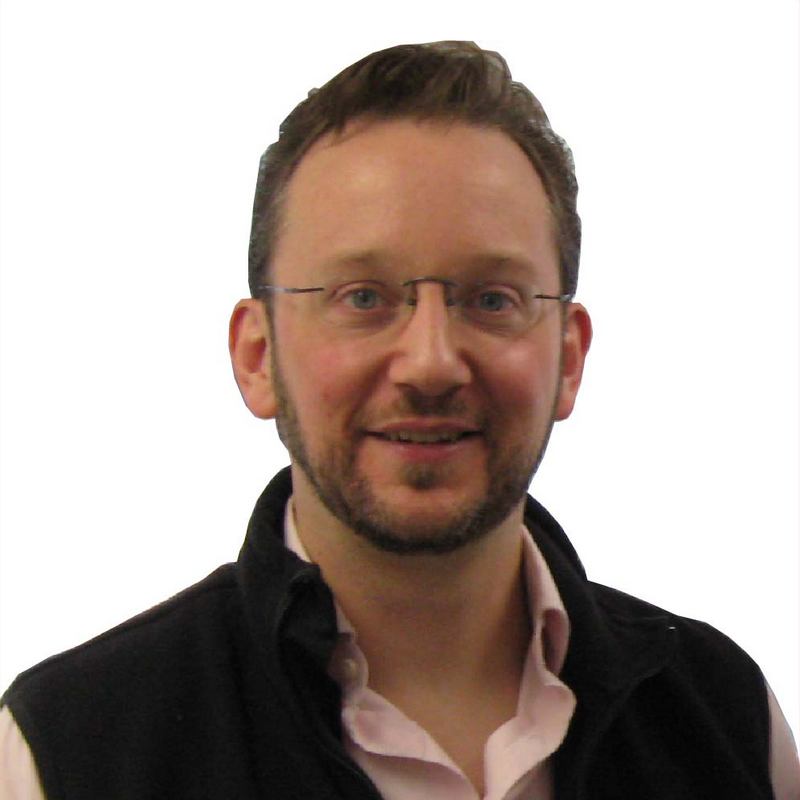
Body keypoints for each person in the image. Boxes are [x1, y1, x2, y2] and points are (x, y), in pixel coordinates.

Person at [1, 40, 797, 800]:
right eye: (363, 298)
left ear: (569, 356)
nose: (430, 363)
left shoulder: (726, 720)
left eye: (492, 298)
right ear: (256, 355)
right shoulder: (67, 754)